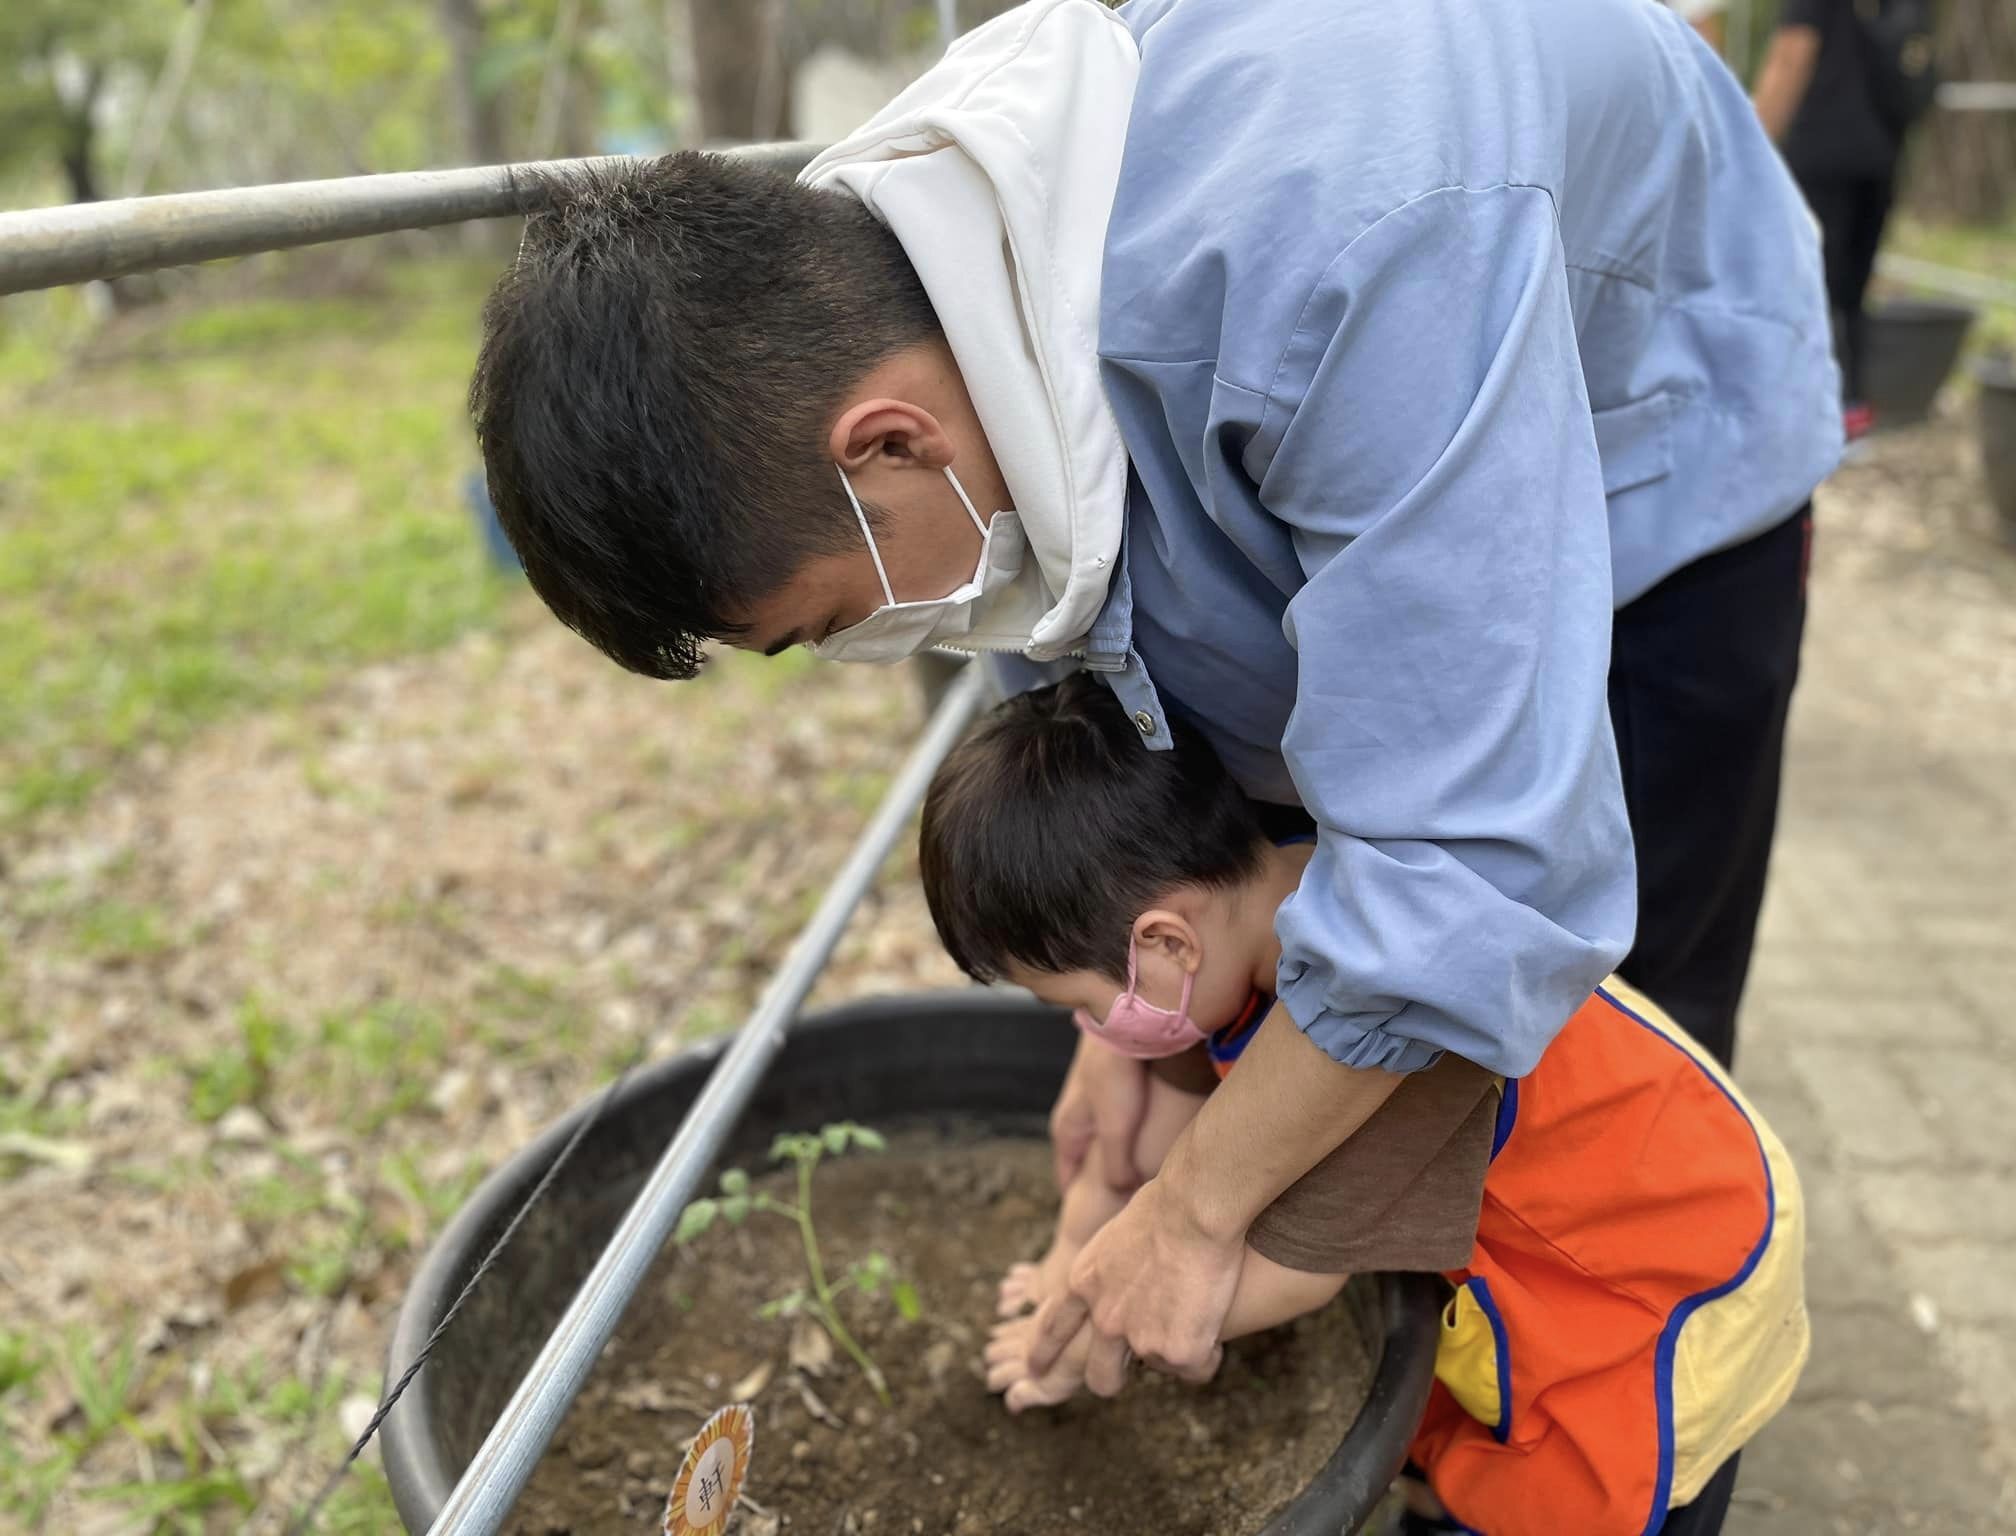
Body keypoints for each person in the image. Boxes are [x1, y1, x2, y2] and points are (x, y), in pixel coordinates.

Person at [468, 0, 1839, 1399]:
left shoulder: (1338, 244)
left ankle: (1659, 1372)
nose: (874, 646)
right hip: (1352, 372)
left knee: (1618, 1049)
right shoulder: (916, 290)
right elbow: (1086, 646)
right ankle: (1456, 1350)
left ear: (891, 442)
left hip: (1659, 443)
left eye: (834, 621)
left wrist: (1193, 1215)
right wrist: (1127, 1036)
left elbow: (1482, 857)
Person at [918, 677, 1809, 1536]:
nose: (1093, 1035)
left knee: (1584, 1489)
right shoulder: (1245, 933)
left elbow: (1300, 1271)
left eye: (1079, 1005)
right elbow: (1152, 1134)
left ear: (1163, 941)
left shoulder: (1393, 1034)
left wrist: (1092, 1327)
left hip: (1665, 1272)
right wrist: (1074, 1250)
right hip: (1596, 1204)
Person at [1753, 0, 1923, 439]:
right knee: (1853, 291)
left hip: (1820, 155)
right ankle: (1854, 404)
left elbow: (1792, 57)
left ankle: (1814, 412)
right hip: (1880, 154)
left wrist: (1747, 149)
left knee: (1808, 287)